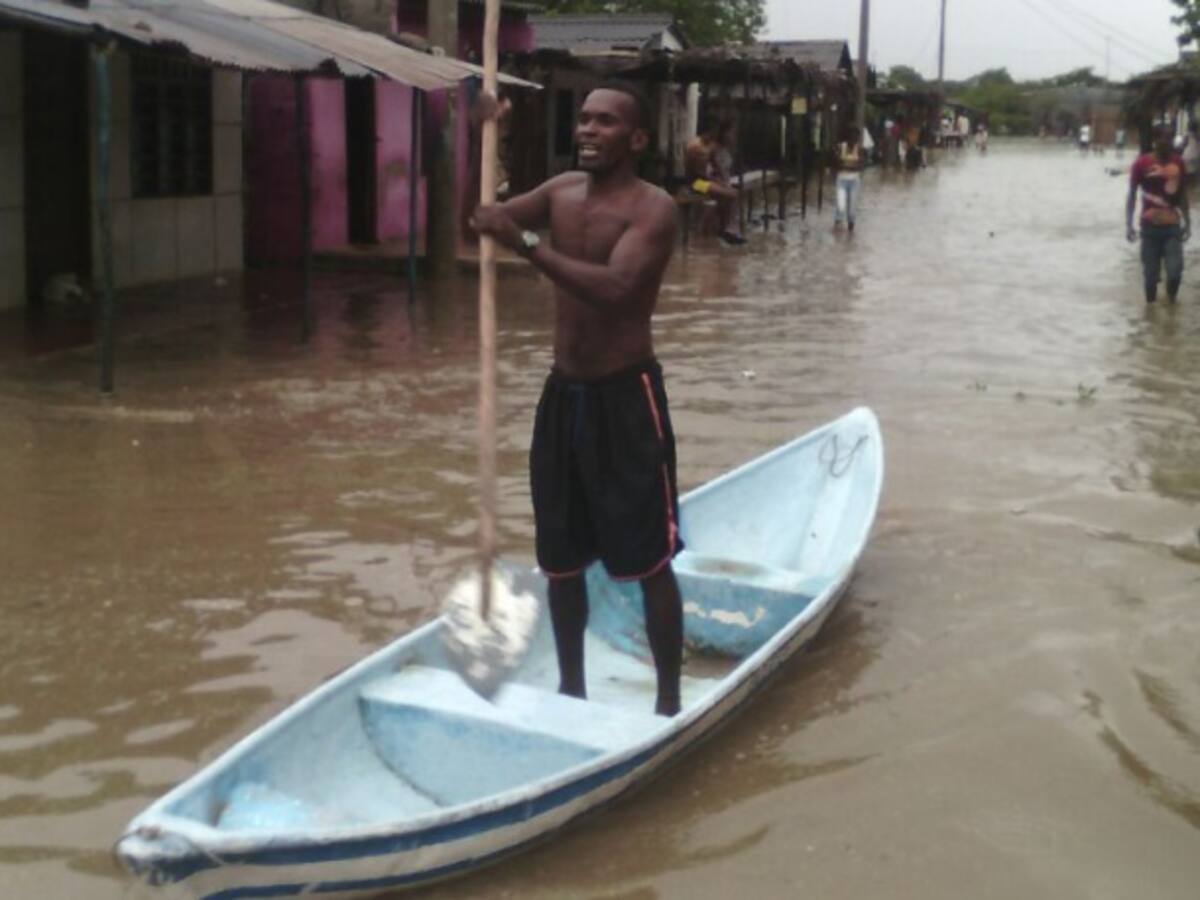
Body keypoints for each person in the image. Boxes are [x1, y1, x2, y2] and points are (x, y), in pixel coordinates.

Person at [467, 82, 686, 716]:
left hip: (627, 397)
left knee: (650, 558)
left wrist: (528, 245)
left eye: (606, 122)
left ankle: (669, 705)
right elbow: (484, 218)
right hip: (564, 395)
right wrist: (480, 132)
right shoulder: (561, 192)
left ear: (637, 139)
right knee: (560, 558)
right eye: (583, 119)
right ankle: (571, 690)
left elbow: (616, 288)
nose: (587, 130)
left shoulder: (654, 209)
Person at [1127, 124, 1191, 304]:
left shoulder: (1178, 163)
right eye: (1161, 137)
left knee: (1175, 272)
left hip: (1172, 227)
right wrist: (1129, 225)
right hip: (1149, 229)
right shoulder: (1141, 163)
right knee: (1150, 278)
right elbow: (1132, 194)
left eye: (1169, 137)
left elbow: (1182, 194)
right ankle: (1151, 313)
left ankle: (1171, 303)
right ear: (1155, 140)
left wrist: (1188, 222)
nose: (1165, 141)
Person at [684, 123, 746, 245]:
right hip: (696, 184)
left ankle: (725, 228)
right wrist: (716, 181)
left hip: (705, 181)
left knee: (731, 193)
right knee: (731, 194)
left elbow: (716, 167)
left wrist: (720, 180)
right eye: (711, 133)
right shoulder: (696, 146)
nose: (713, 136)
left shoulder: (709, 146)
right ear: (705, 133)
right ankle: (726, 228)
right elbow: (700, 173)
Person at [833, 128, 864, 231]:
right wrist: (851, 166)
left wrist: (845, 165)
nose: (854, 139)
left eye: (856, 137)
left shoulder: (859, 149)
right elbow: (836, 164)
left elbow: (860, 166)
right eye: (852, 137)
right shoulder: (840, 147)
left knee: (852, 208)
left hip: (854, 181)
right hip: (841, 180)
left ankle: (850, 229)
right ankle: (837, 224)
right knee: (840, 206)